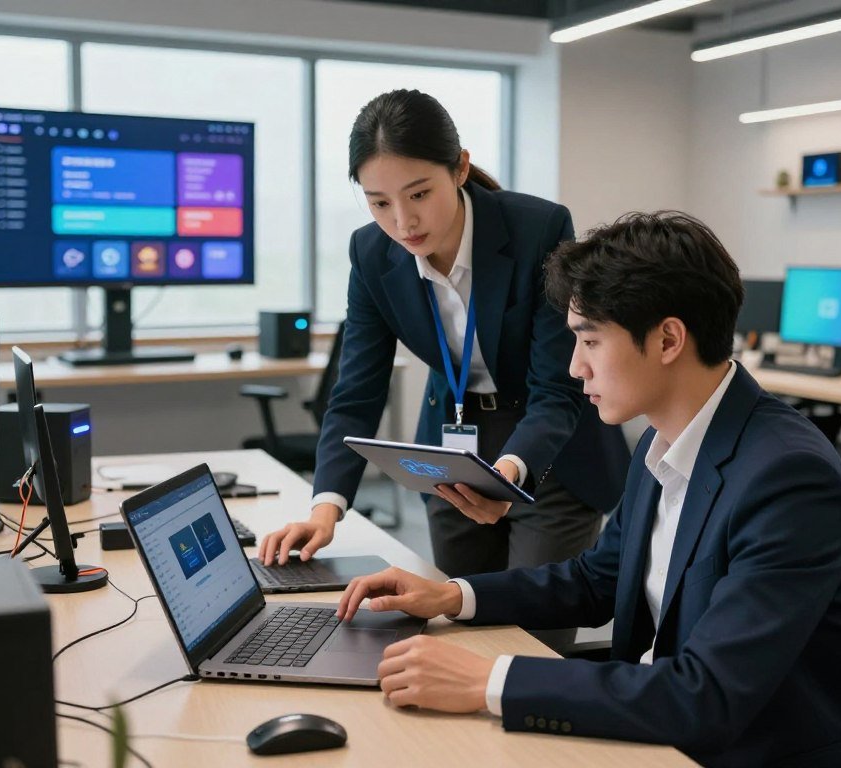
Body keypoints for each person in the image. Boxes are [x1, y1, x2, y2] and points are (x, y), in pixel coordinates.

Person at [335, 212, 841, 767]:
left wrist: (490, 680)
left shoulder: (786, 478)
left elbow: (706, 696)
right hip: (658, 730)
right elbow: (598, 580)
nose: (574, 367)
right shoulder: (661, 441)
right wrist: (453, 596)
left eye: (589, 340)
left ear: (667, 339)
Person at [260, 89, 630, 589]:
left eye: (419, 194)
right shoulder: (370, 253)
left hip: (550, 452)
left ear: (459, 169)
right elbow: (356, 392)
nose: (402, 221)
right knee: (457, 617)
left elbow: (557, 385)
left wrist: (510, 473)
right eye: (379, 202)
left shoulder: (537, 228)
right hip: (450, 453)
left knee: (534, 630)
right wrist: (325, 507)